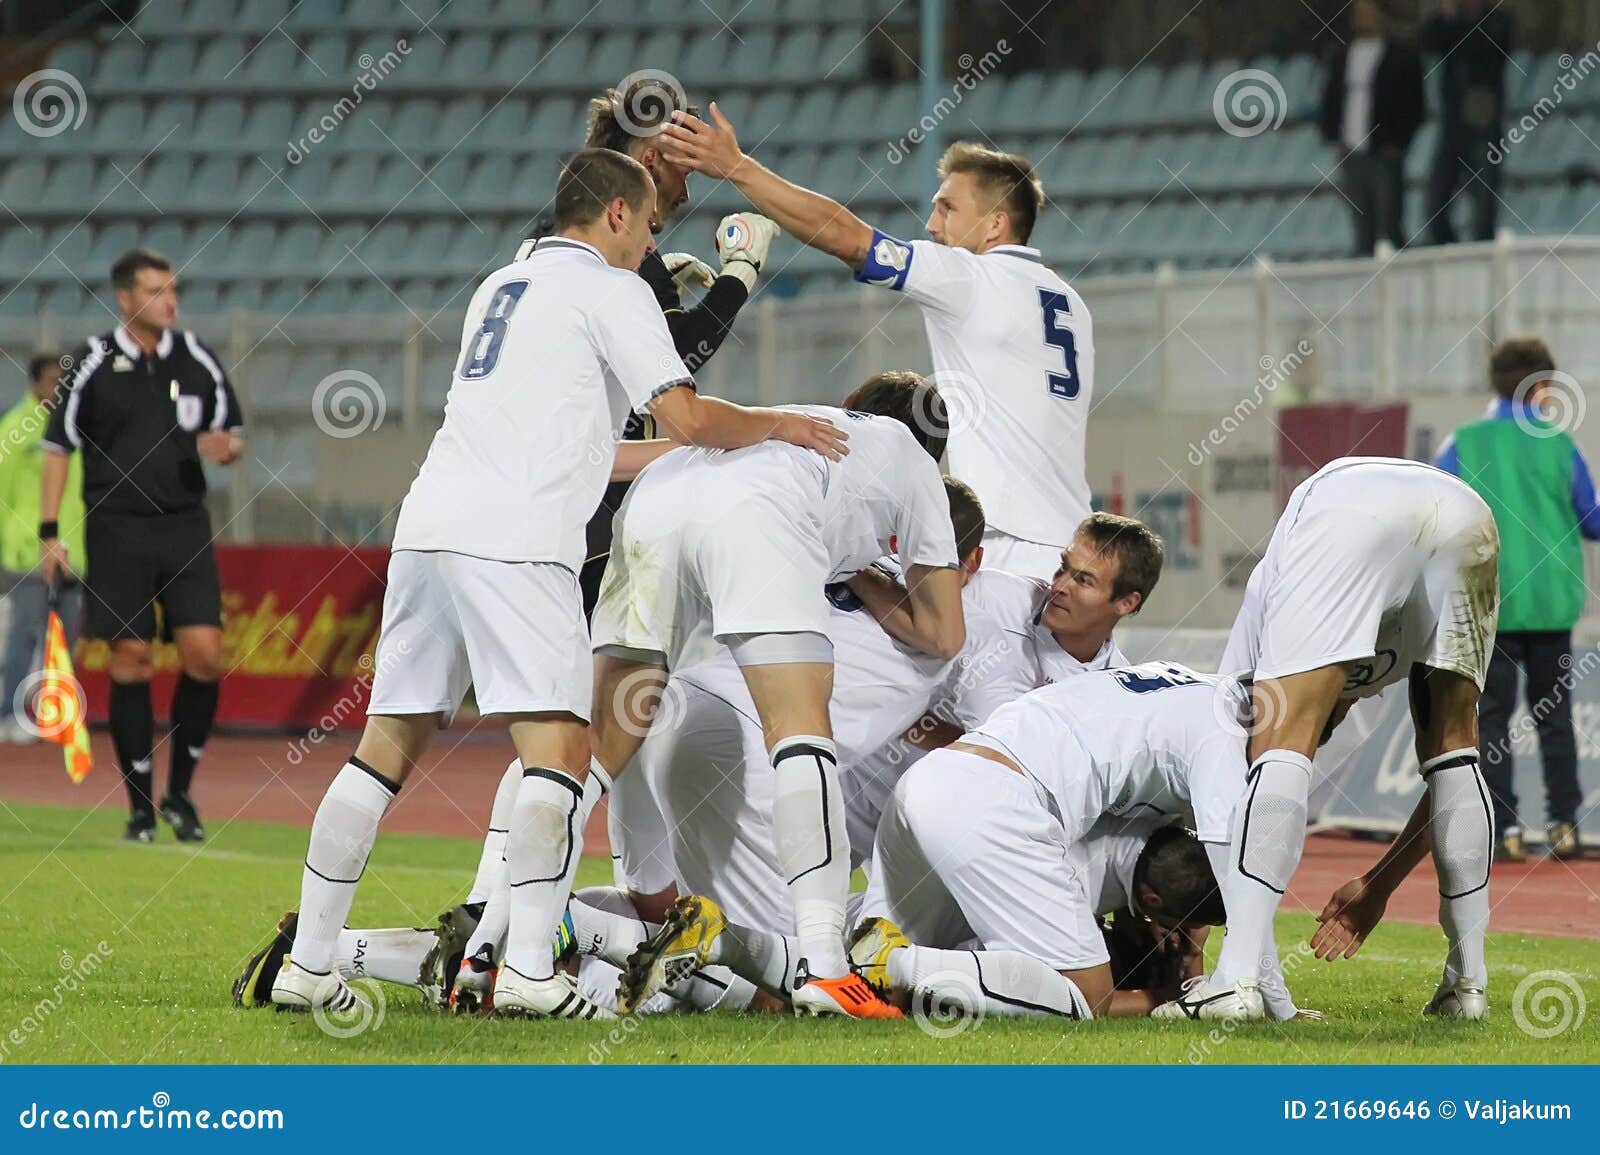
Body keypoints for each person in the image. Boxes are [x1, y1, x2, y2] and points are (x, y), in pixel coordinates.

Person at [266, 148, 847, 1022]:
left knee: (382, 748)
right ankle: (530, 968)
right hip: (518, 539)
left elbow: (601, 448)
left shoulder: (499, 285)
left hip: (429, 530)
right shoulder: (611, 291)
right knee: (564, 752)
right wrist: (778, 425)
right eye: (649, 225)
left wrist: (707, 445)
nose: (651, 244)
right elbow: (685, 410)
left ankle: (308, 963)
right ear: (615, 213)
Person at [582, 371, 964, 1019]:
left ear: (845, 405)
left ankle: (507, 931)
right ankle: (826, 970)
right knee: (799, 728)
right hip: (755, 524)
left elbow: (625, 459)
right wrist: (863, 564)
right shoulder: (907, 462)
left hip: (655, 506)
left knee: (593, 749)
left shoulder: (785, 412)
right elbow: (945, 631)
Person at [662, 110, 1093, 582]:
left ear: (995, 226)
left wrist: (737, 166)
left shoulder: (971, 278)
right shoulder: (1070, 302)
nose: (931, 225)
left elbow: (847, 238)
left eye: (947, 208)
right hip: (1067, 544)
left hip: (1006, 545)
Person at [1162, 457, 1498, 1022]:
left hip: (1349, 502)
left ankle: (1236, 985)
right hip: (1466, 513)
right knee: (1454, 753)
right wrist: (1379, 884)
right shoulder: (1370, 656)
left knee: (1279, 744)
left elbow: (1232, 810)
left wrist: (1227, 960)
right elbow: (1454, 785)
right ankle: (1468, 985)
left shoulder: (1247, 659)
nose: (1326, 735)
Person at [532, 78, 781, 616]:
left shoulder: (544, 246)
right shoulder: (613, 268)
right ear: (650, 160)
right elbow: (676, 363)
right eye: (684, 173)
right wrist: (739, 275)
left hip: (542, 492)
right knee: (604, 668)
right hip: (588, 506)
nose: (686, 195)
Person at [41, 250, 244, 843]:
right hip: (116, 527)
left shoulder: (197, 356)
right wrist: (50, 533)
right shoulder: (92, 360)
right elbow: (59, 447)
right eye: (157, 291)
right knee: (130, 660)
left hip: (184, 525)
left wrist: (226, 448)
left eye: (174, 289)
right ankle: (138, 804)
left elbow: (232, 431)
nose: (170, 301)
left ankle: (180, 793)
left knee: (205, 654)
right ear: (126, 298)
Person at [1435, 337, 1591, 860]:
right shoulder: (1561, 444)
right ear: (1543, 385)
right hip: (1552, 607)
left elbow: (1438, 516)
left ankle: (1503, 829)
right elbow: (1593, 520)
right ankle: (1565, 823)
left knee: (1491, 718)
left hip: (1490, 605)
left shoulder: (1464, 441)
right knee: (1556, 717)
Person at [0, 354, 86, 744]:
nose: (58, 389)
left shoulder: (76, 428)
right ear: (35, 384)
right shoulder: (16, 428)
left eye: (63, 381)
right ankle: (11, 714)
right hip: (28, 550)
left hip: (73, 548)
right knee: (28, 633)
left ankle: (56, 715)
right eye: (52, 380)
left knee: (66, 638)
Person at [1319, 0, 1425, 254]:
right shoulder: (1342, 54)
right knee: (1361, 224)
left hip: (1384, 152)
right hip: (1352, 150)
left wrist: (1399, 143)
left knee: (1389, 223)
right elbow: (1331, 98)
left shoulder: (1402, 55)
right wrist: (1334, 137)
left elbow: (1414, 105)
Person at [1421, 0, 1512, 245]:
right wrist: (1445, 16)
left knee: (1483, 203)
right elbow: (1429, 42)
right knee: (1436, 202)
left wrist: (1462, 22)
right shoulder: (1452, 22)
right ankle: (1445, 246)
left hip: (1484, 121)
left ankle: (1483, 250)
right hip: (1453, 122)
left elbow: (1484, 51)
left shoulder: (1498, 21)